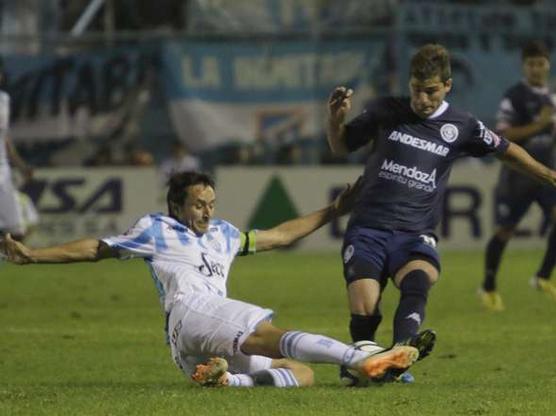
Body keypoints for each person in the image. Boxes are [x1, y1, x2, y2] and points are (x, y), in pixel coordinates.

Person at [0, 171, 433, 388]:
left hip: (193, 346)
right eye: (199, 205)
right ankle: (362, 360)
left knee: (301, 374)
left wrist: (335, 210)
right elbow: (97, 248)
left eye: (211, 203)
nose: (207, 212)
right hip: (192, 311)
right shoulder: (156, 229)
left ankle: (227, 381)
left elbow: (280, 236)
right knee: (268, 334)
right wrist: (34, 255)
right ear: (176, 205)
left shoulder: (225, 234)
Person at [326, 44, 556, 382]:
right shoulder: (384, 110)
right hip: (369, 228)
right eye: (417, 90)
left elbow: (507, 151)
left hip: (415, 232)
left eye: (431, 91)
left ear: (447, 85)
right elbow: (341, 145)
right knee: (365, 307)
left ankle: (399, 354)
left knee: (419, 278)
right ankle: (367, 357)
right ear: (409, 85)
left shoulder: (462, 125)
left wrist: (550, 176)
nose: (422, 99)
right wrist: (335, 119)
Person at [479, 41, 556, 311]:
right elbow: (503, 136)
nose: (536, 68)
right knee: (505, 230)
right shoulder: (514, 96)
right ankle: (488, 287)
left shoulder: (552, 98)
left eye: (541, 63)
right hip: (519, 175)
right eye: (531, 63)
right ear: (524, 66)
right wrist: (541, 124)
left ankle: (543, 276)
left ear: (548, 64)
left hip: (547, 173)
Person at [0, 56, 34, 240]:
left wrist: (21, 165)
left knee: (16, 230)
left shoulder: (4, 99)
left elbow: (5, 138)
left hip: (2, 169)